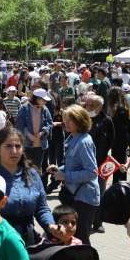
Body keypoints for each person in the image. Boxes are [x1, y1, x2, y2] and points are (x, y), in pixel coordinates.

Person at [0, 128, 62, 247]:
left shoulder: (32, 175)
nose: (14, 151)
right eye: (8, 146)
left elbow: (42, 208)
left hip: (26, 241)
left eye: (18, 146)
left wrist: (51, 226)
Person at [50, 104, 101, 244]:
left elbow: (91, 172)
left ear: (80, 121)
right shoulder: (73, 138)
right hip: (76, 195)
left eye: (70, 120)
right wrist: (58, 168)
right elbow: (73, 164)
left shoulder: (84, 142)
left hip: (85, 197)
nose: (66, 123)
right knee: (73, 237)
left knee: (81, 238)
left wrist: (65, 176)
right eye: (65, 119)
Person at [15, 88, 54, 175]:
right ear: (38, 99)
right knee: (25, 167)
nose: (45, 102)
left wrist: (42, 132)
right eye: (44, 100)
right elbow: (19, 125)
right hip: (27, 144)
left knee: (37, 169)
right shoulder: (24, 108)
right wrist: (28, 134)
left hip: (41, 145)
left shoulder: (44, 109)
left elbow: (50, 123)